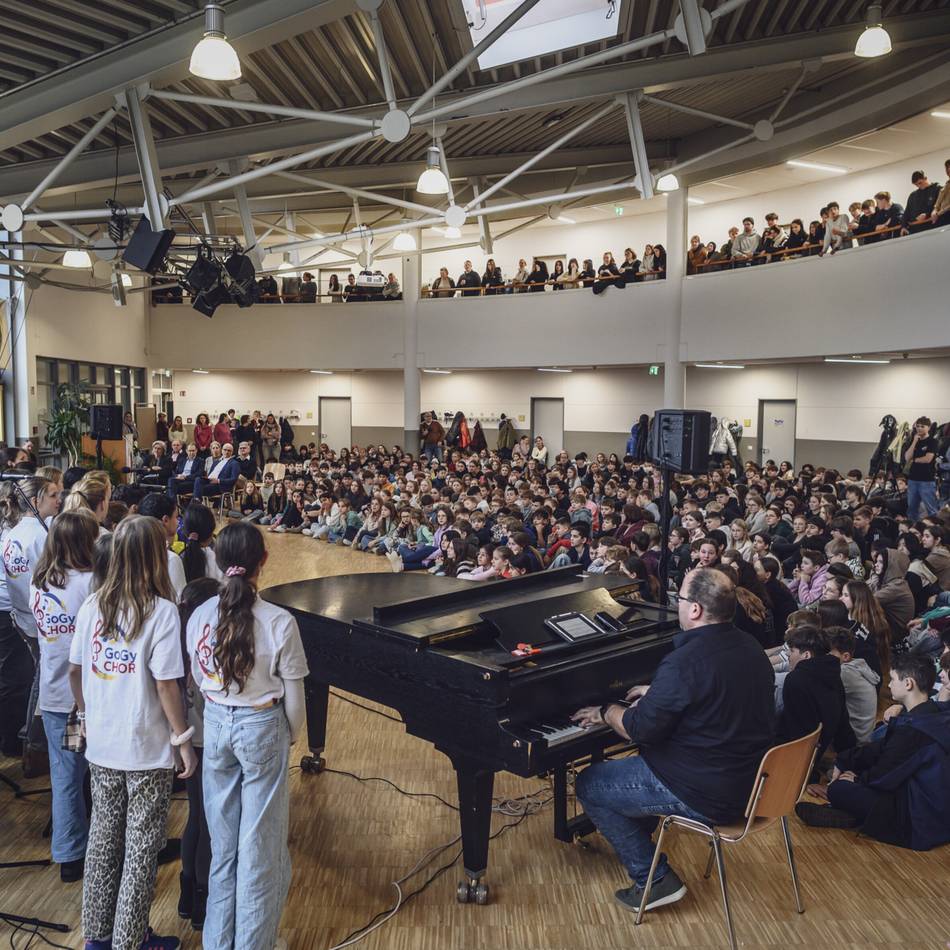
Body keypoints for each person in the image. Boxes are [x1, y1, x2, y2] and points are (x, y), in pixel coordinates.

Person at [571, 569, 774, 914]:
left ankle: (654, 879)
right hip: (753, 784)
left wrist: (607, 711)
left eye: (679, 599)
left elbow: (639, 729)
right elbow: (713, 695)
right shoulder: (750, 647)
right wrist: (659, 693)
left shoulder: (684, 662)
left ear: (694, 609)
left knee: (590, 783)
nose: (677, 606)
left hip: (704, 791)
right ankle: (640, 833)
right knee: (627, 770)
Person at [68, 515, 196, 950]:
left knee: (103, 842)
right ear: (154, 557)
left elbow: (75, 672)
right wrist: (183, 741)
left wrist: (88, 715)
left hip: (102, 746)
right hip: (145, 746)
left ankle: (97, 939)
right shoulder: (160, 612)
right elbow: (166, 685)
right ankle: (130, 941)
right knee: (140, 849)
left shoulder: (93, 605)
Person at [186, 522, 308, 950]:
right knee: (260, 853)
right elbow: (295, 702)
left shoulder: (199, 615)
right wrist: (287, 737)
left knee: (224, 851)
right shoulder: (279, 621)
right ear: (264, 562)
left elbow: (199, 680)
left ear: (218, 562)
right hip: (261, 725)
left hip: (216, 724)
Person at [797, 654, 950, 850]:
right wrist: (846, 761)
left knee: (839, 789)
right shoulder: (934, 714)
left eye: (893, 679)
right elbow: (884, 749)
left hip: (917, 819)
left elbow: (884, 776)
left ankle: (849, 814)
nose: (889, 685)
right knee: (851, 779)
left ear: (909, 684)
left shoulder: (914, 730)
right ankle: (850, 813)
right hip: (934, 809)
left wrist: (857, 779)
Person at [30, 509, 98, 882]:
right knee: (92, 771)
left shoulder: (40, 582)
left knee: (65, 773)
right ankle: (87, 848)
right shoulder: (89, 583)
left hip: (53, 690)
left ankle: (71, 849)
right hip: (85, 695)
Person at [3, 475, 63, 760]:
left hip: (23, 614)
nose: (57, 500)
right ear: (36, 500)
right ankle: (33, 740)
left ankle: (30, 739)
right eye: (52, 495)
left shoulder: (12, 533)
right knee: (41, 678)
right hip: (37, 618)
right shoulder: (38, 536)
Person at [776, 624, 855, 759]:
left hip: (792, 758)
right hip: (815, 753)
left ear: (806, 655)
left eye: (793, 651)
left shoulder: (796, 680)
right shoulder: (833, 675)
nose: (789, 655)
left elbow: (795, 732)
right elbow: (843, 724)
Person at [827, 626, 880, 745]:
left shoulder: (845, 672)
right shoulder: (857, 664)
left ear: (845, 656)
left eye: (828, 654)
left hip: (856, 740)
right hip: (864, 733)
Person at [138, 492, 187, 600]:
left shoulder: (131, 548)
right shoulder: (171, 559)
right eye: (176, 517)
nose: (178, 522)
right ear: (165, 520)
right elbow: (179, 600)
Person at [904, 416, 938, 518]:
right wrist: (914, 441)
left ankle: (934, 531)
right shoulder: (914, 440)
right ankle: (913, 530)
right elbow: (907, 457)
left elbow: (928, 459)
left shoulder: (932, 441)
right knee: (911, 509)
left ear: (928, 427)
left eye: (922, 426)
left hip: (926, 480)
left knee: (931, 509)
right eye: (917, 426)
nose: (919, 428)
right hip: (913, 479)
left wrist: (914, 460)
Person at [901, 169, 941, 234]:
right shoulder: (913, 195)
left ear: (925, 178)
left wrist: (927, 214)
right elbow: (907, 212)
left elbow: (940, 205)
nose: (919, 186)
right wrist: (903, 226)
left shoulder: (937, 189)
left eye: (920, 183)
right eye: (916, 185)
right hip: (916, 230)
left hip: (933, 227)